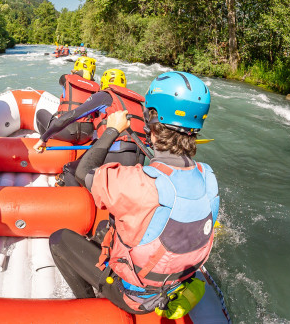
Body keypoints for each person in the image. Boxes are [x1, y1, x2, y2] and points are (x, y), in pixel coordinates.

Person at [49, 71, 219, 316]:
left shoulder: (139, 183)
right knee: (102, 231)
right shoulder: (209, 177)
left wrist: (112, 130)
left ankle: (90, 303)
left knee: (59, 239)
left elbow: (83, 171)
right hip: (174, 284)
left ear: (152, 119)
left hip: (133, 295)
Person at [33, 68, 149, 187]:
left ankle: (79, 203)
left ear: (104, 83)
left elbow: (70, 116)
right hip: (139, 159)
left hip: (115, 154)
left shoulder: (104, 96)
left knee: (70, 170)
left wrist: (44, 138)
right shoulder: (139, 105)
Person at [35, 56, 99, 144]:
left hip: (66, 133)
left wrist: (73, 74)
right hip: (86, 135)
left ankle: (46, 142)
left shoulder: (65, 78)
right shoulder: (97, 88)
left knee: (40, 113)